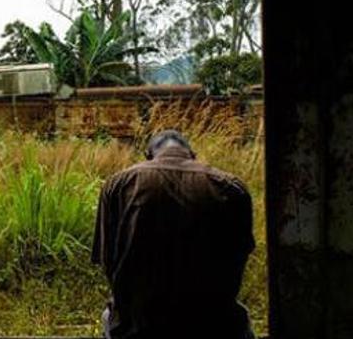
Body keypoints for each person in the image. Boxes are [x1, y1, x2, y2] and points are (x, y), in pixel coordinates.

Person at [92, 130, 255, 339]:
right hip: (214, 325)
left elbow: (108, 261)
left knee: (109, 316)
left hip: (138, 326)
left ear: (148, 155)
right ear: (192, 154)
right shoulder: (230, 187)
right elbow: (238, 259)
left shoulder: (119, 184)